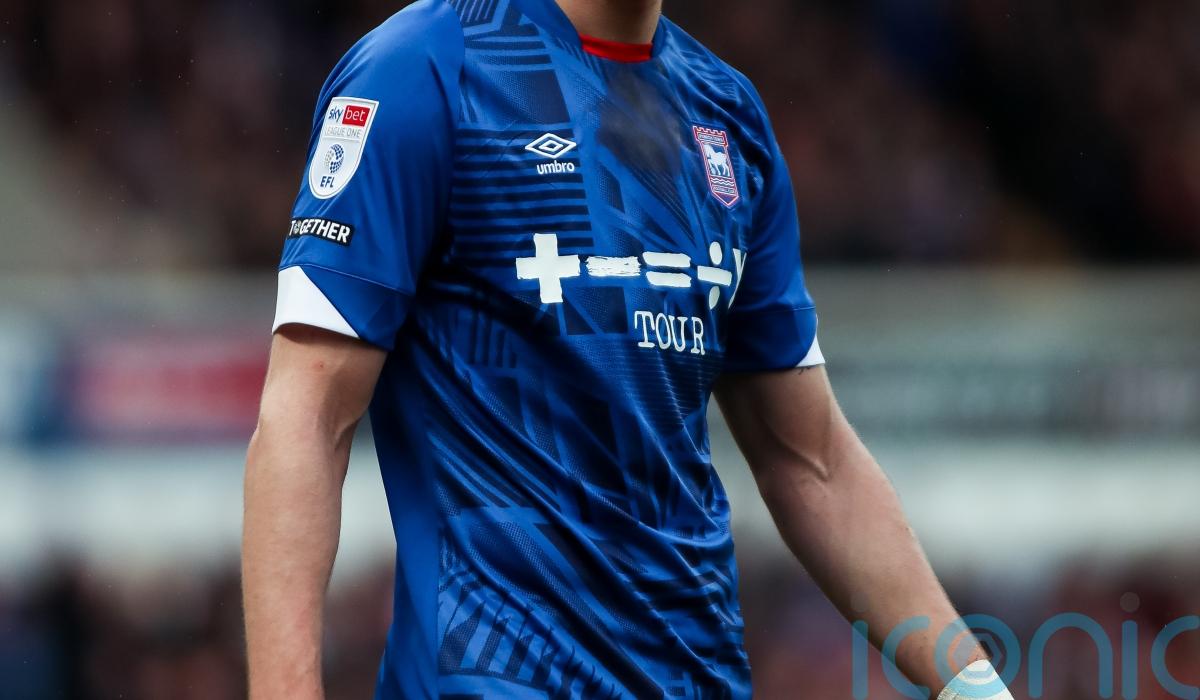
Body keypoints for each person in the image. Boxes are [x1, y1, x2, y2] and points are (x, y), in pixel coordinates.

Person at [242, 0, 1013, 697]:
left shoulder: (726, 113)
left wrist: (974, 688)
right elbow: (308, 414)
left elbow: (811, 460)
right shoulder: (425, 68)